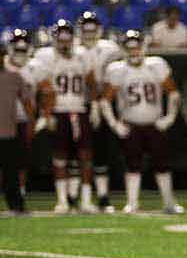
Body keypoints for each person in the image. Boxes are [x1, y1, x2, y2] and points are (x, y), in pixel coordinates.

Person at [100, 30, 182, 214]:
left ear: (143, 48)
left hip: (154, 123)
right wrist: (114, 125)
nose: (134, 52)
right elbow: (105, 100)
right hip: (131, 123)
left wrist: (169, 118)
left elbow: (174, 93)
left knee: (162, 164)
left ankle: (169, 202)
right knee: (132, 165)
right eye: (130, 49)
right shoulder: (117, 69)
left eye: (136, 48)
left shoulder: (156, 65)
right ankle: (132, 202)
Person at [31, 20, 99, 214]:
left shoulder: (83, 56)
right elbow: (43, 90)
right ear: (54, 40)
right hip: (58, 111)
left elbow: (92, 83)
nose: (64, 44)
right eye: (61, 40)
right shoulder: (45, 57)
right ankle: (62, 201)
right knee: (59, 157)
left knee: (85, 157)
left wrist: (94, 106)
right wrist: (46, 113)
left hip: (78, 110)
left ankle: (85, 200)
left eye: (67, 40)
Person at [77, 11, 122, 212]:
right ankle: (73, 195)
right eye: (85, 29)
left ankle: (103, 195)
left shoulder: (109, 49)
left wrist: (101, 103)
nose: (88, 33)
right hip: (78, 104)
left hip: (104, 103)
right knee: (79, 150)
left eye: (91, 29)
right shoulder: (74, 50)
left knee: (103, 149)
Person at [4, 29, 46, 199]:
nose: (20, 52)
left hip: (24, 120)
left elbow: (48, 92)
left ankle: (19, 193)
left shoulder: (36, 67)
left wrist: (43, 116)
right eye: (17, 48)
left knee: (21, 160)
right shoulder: (3, 66)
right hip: (4, 120)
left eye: (23, 49)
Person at [0, 40, 36, 214]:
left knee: (11, 172)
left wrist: (31, 122)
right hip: (6, 129)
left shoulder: (14, 77)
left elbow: (27, 101)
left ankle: (16, 205)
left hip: (8, 130)